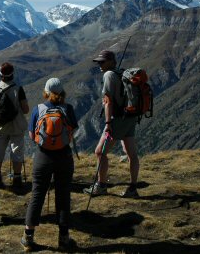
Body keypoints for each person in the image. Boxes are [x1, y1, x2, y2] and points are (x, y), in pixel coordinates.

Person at [21, 78, 78, 251]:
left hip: (43, 156)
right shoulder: (67, 109)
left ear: (46, 92)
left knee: (37, 194)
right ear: (62, 92)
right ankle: (63, 238)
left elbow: (32, 134)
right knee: (63, 195)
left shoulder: (38, 109)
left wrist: (47, 141)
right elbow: (72, 130)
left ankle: (28, 238)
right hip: (64, 156)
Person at [83, 50, 140, 198]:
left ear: (110, 61)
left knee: (100, 152)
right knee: (131, 154)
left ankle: (101, 186)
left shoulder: (108, 75)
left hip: (117, 119)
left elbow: (108, 102)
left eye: (102, 62)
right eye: (98, 62)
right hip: (130, 117)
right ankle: (133, 188)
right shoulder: (122, 73)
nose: (99, 65)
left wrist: (108, 123)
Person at [0, 62, 29, 191]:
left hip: (0, 124)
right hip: (16, 124)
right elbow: (25, 109)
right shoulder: (18, 88)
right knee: (17, 151)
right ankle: (17, 179)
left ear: (1, 74)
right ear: (12, 74)